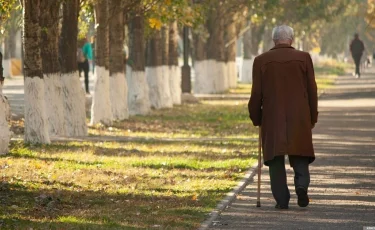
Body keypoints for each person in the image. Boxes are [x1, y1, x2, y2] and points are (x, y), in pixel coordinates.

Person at [248, 25, 318, 209]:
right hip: (300, 115)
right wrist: (312, 116)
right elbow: (312, 90)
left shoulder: (261, 61)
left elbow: (256, 94)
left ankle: (282, 200)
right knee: (300, 153)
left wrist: (256, 117)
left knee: (275, 158)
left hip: (272, 116)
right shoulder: (304, 58)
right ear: (292, 39)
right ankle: (301, 186)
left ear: (274, 40)